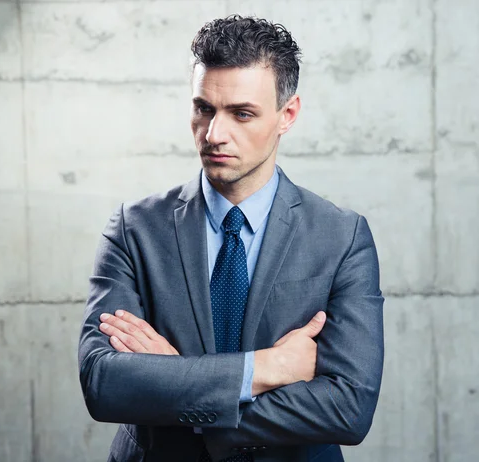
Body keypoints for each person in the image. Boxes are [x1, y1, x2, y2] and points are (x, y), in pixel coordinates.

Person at [78, 14, 384, 462]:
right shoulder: (134, 229)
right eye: (203, 108)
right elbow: (105, 384)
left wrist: (182, 390)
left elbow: (348, 409)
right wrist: (268, 368)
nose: (214, 134)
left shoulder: (341, 237)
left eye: (242, 113)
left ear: (288, 115)